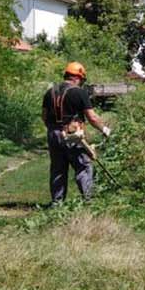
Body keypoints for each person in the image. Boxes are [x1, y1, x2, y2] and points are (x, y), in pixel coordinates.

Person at [41, 61, 111, 205]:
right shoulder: (79, 92)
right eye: (82, 80)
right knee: (83, 166)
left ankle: (57, 203)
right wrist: (104, 129)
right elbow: (92, 117)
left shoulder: (50, 92)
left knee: (58, 169)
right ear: (77, 77)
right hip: (73, 135)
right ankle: (88, 200)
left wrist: (55, 130)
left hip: (53, 134)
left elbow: (44, 116)